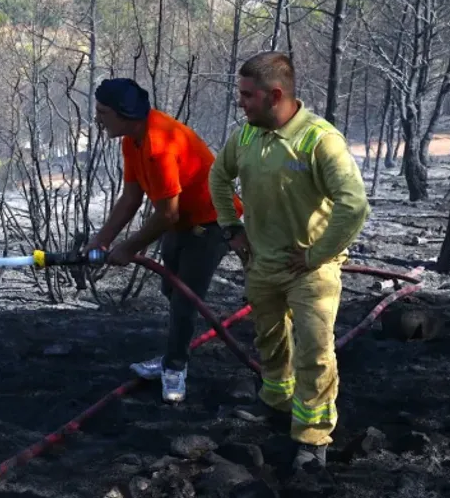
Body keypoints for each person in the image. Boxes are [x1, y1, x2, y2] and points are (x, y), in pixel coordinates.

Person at [208, 51, 370, 473]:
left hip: (310, 270)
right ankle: (276, 402)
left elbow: (354, 205)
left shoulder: (319, 140)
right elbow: (218, 177)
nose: (240, 103)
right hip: (262, 262)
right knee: (270, 339)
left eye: (247, 95)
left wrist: (318, 254)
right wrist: (231, 227)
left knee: (315, 353)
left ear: (274, 94)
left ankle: (313, 437)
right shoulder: (245, 137)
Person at [85, 77, 243, 404]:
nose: (98, 118)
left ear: (124, 113)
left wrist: (128, 247)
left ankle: (175, 368)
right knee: (171, 288)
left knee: (186, 297)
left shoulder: (158, 145)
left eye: (103, 112)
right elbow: (131, 197)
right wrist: (103, 239)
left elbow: (167, 214)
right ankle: (175, 352)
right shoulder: (132, 140)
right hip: (181, 221)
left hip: (211, 222)